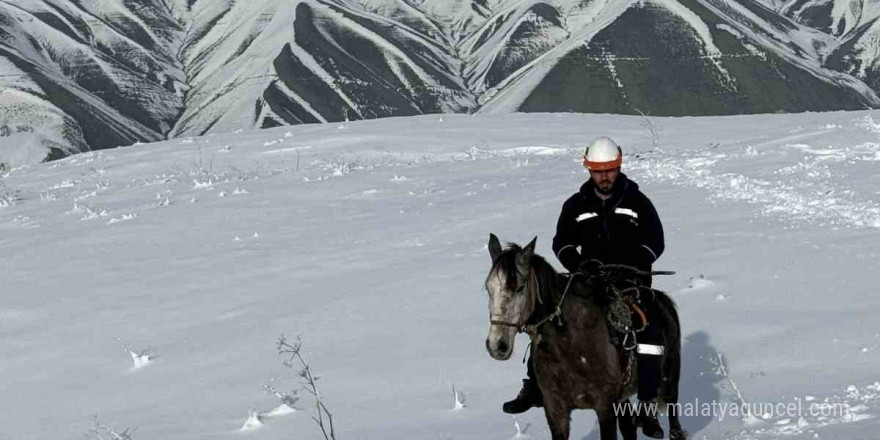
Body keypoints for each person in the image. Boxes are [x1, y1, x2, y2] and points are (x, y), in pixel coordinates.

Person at [502, 136, 667, 439]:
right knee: (545, 320)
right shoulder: (575, 205)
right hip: (586, 283)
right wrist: (578, 264)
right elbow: (561, 242)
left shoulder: (637, 202)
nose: (604, 177)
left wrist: (635, 263)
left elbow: (655, 241)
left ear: (619, 167)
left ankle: (646, 405)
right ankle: (534, 387)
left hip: (629, 283)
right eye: (598, 171)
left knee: (651, 330)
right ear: (588, 170)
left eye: (610, 170)